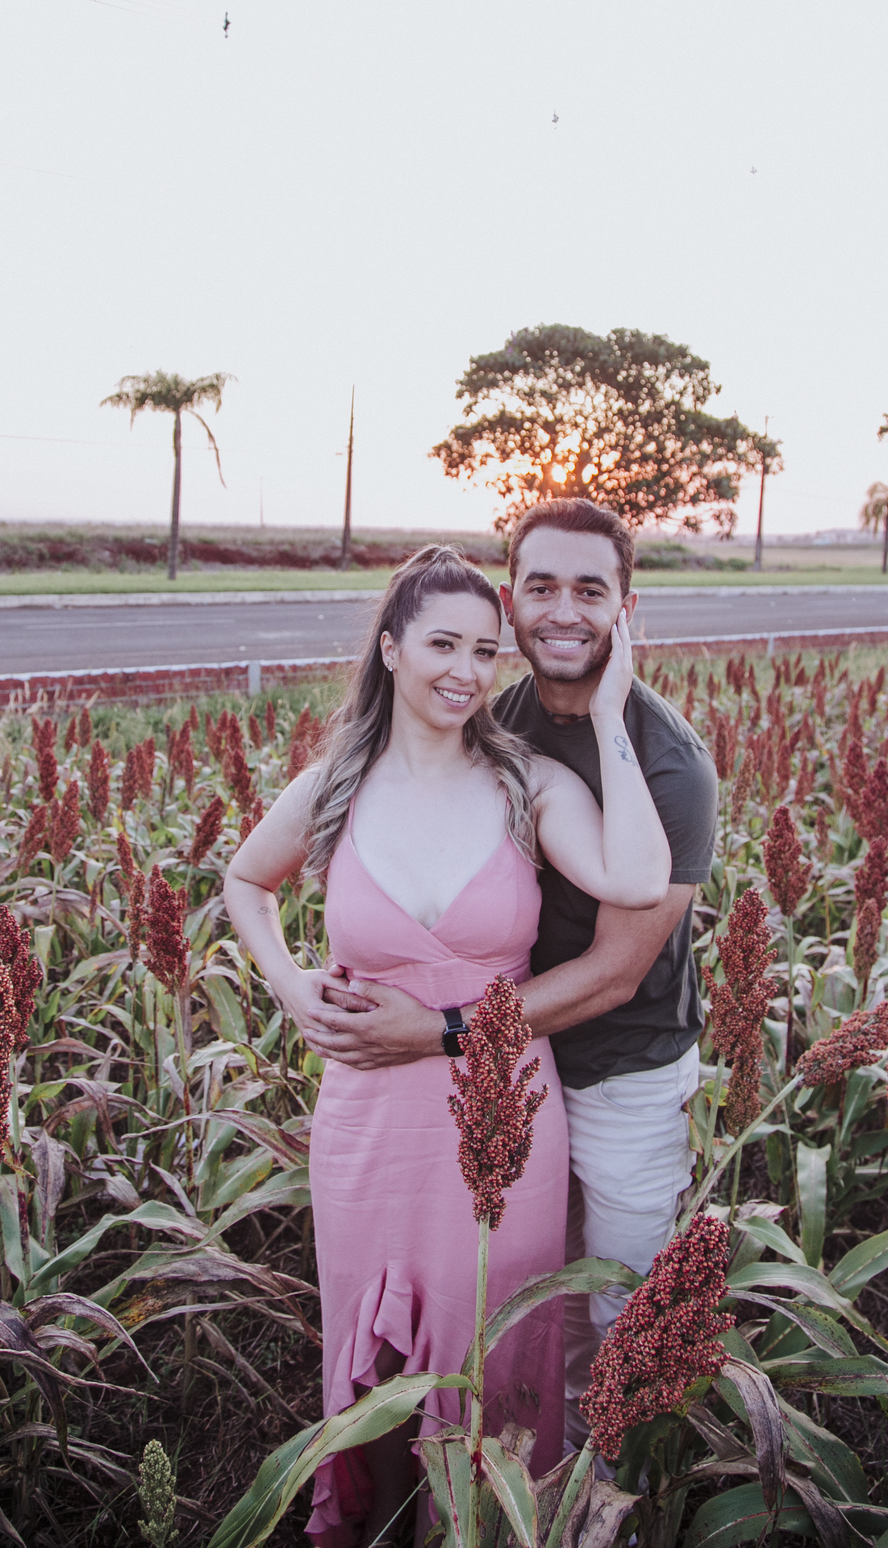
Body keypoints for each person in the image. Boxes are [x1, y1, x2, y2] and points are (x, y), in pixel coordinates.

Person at [224, 544, 671, 1546]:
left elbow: (640, 881)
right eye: (442, 645)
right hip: (367, 1120)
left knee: (496, 1350)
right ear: (391, 648)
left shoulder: (527, 785)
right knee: (374, 1370)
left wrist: (611, 712)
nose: (466, 671)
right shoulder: (334, 785)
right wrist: (290, 983)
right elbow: (245, 880)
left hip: (503, 1111)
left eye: (484, 650)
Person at [304, 502, 718, 1452]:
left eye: (590, 590)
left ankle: (605, 1499)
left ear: (626, 609)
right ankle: (514, 1479)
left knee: (619, 1320)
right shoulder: (496, 720)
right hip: (511, 1072)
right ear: (511, 600)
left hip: (618, 1072)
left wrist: (438, 1030)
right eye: (542, 587)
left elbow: (613, 975)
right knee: (523, 1305)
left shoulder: (671, 768)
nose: (564, 611)